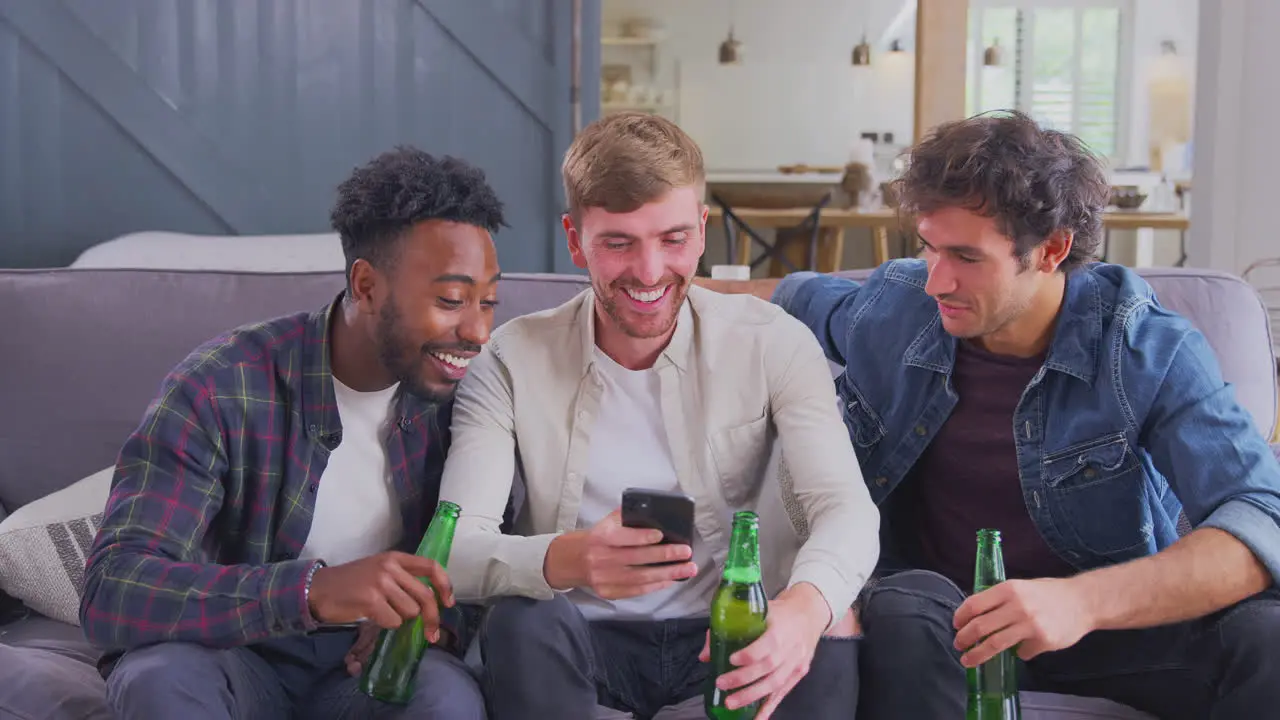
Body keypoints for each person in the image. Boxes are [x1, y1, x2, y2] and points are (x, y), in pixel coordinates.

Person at [699, 111, 1280, 720]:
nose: (936, 281)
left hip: (1101, 627)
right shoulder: (896, 306)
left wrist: (1079, 603)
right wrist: (655, 290)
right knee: (902, 605)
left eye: (966, 257)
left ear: (1052, 249)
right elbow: (780, 298)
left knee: (1269, 638)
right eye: (927, 246)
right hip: (936, 625)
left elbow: (1260, 518)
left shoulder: (1146, 350)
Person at [436, 112, 877, 720]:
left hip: (728, 636)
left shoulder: (773, 342)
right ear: (574, 238)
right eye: (618, 243)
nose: (649, 273)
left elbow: (846, 510)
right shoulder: (510, 359)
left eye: (672, 239)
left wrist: (804, 609)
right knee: (521, 616)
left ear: (700, 230)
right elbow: (450, 551)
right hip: (578, 642)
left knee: (831, 613)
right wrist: (568, 558)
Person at [79, 147, 507, 720]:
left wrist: (437, 624)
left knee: (445, 698)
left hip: (368, 670)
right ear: (366, 286)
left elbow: (500, 552)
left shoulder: (474, 401)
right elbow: (115, 588)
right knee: (160, 678)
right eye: (452, 301)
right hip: (232, 653)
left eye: (488, 302)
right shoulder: (221, 385)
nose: (477, 331)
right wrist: (310, 593)